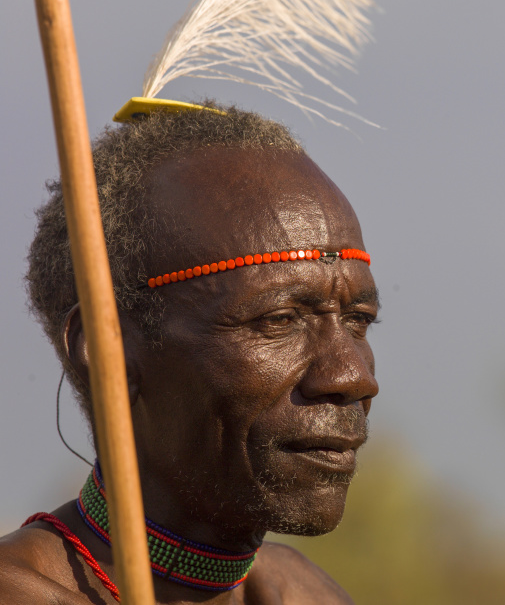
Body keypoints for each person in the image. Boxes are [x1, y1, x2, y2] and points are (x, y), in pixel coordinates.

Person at [0, 104, 379, 604]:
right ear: (110, 347)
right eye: (280, 320)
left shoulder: (303, 595)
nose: (352, 376)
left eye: (358, 320)